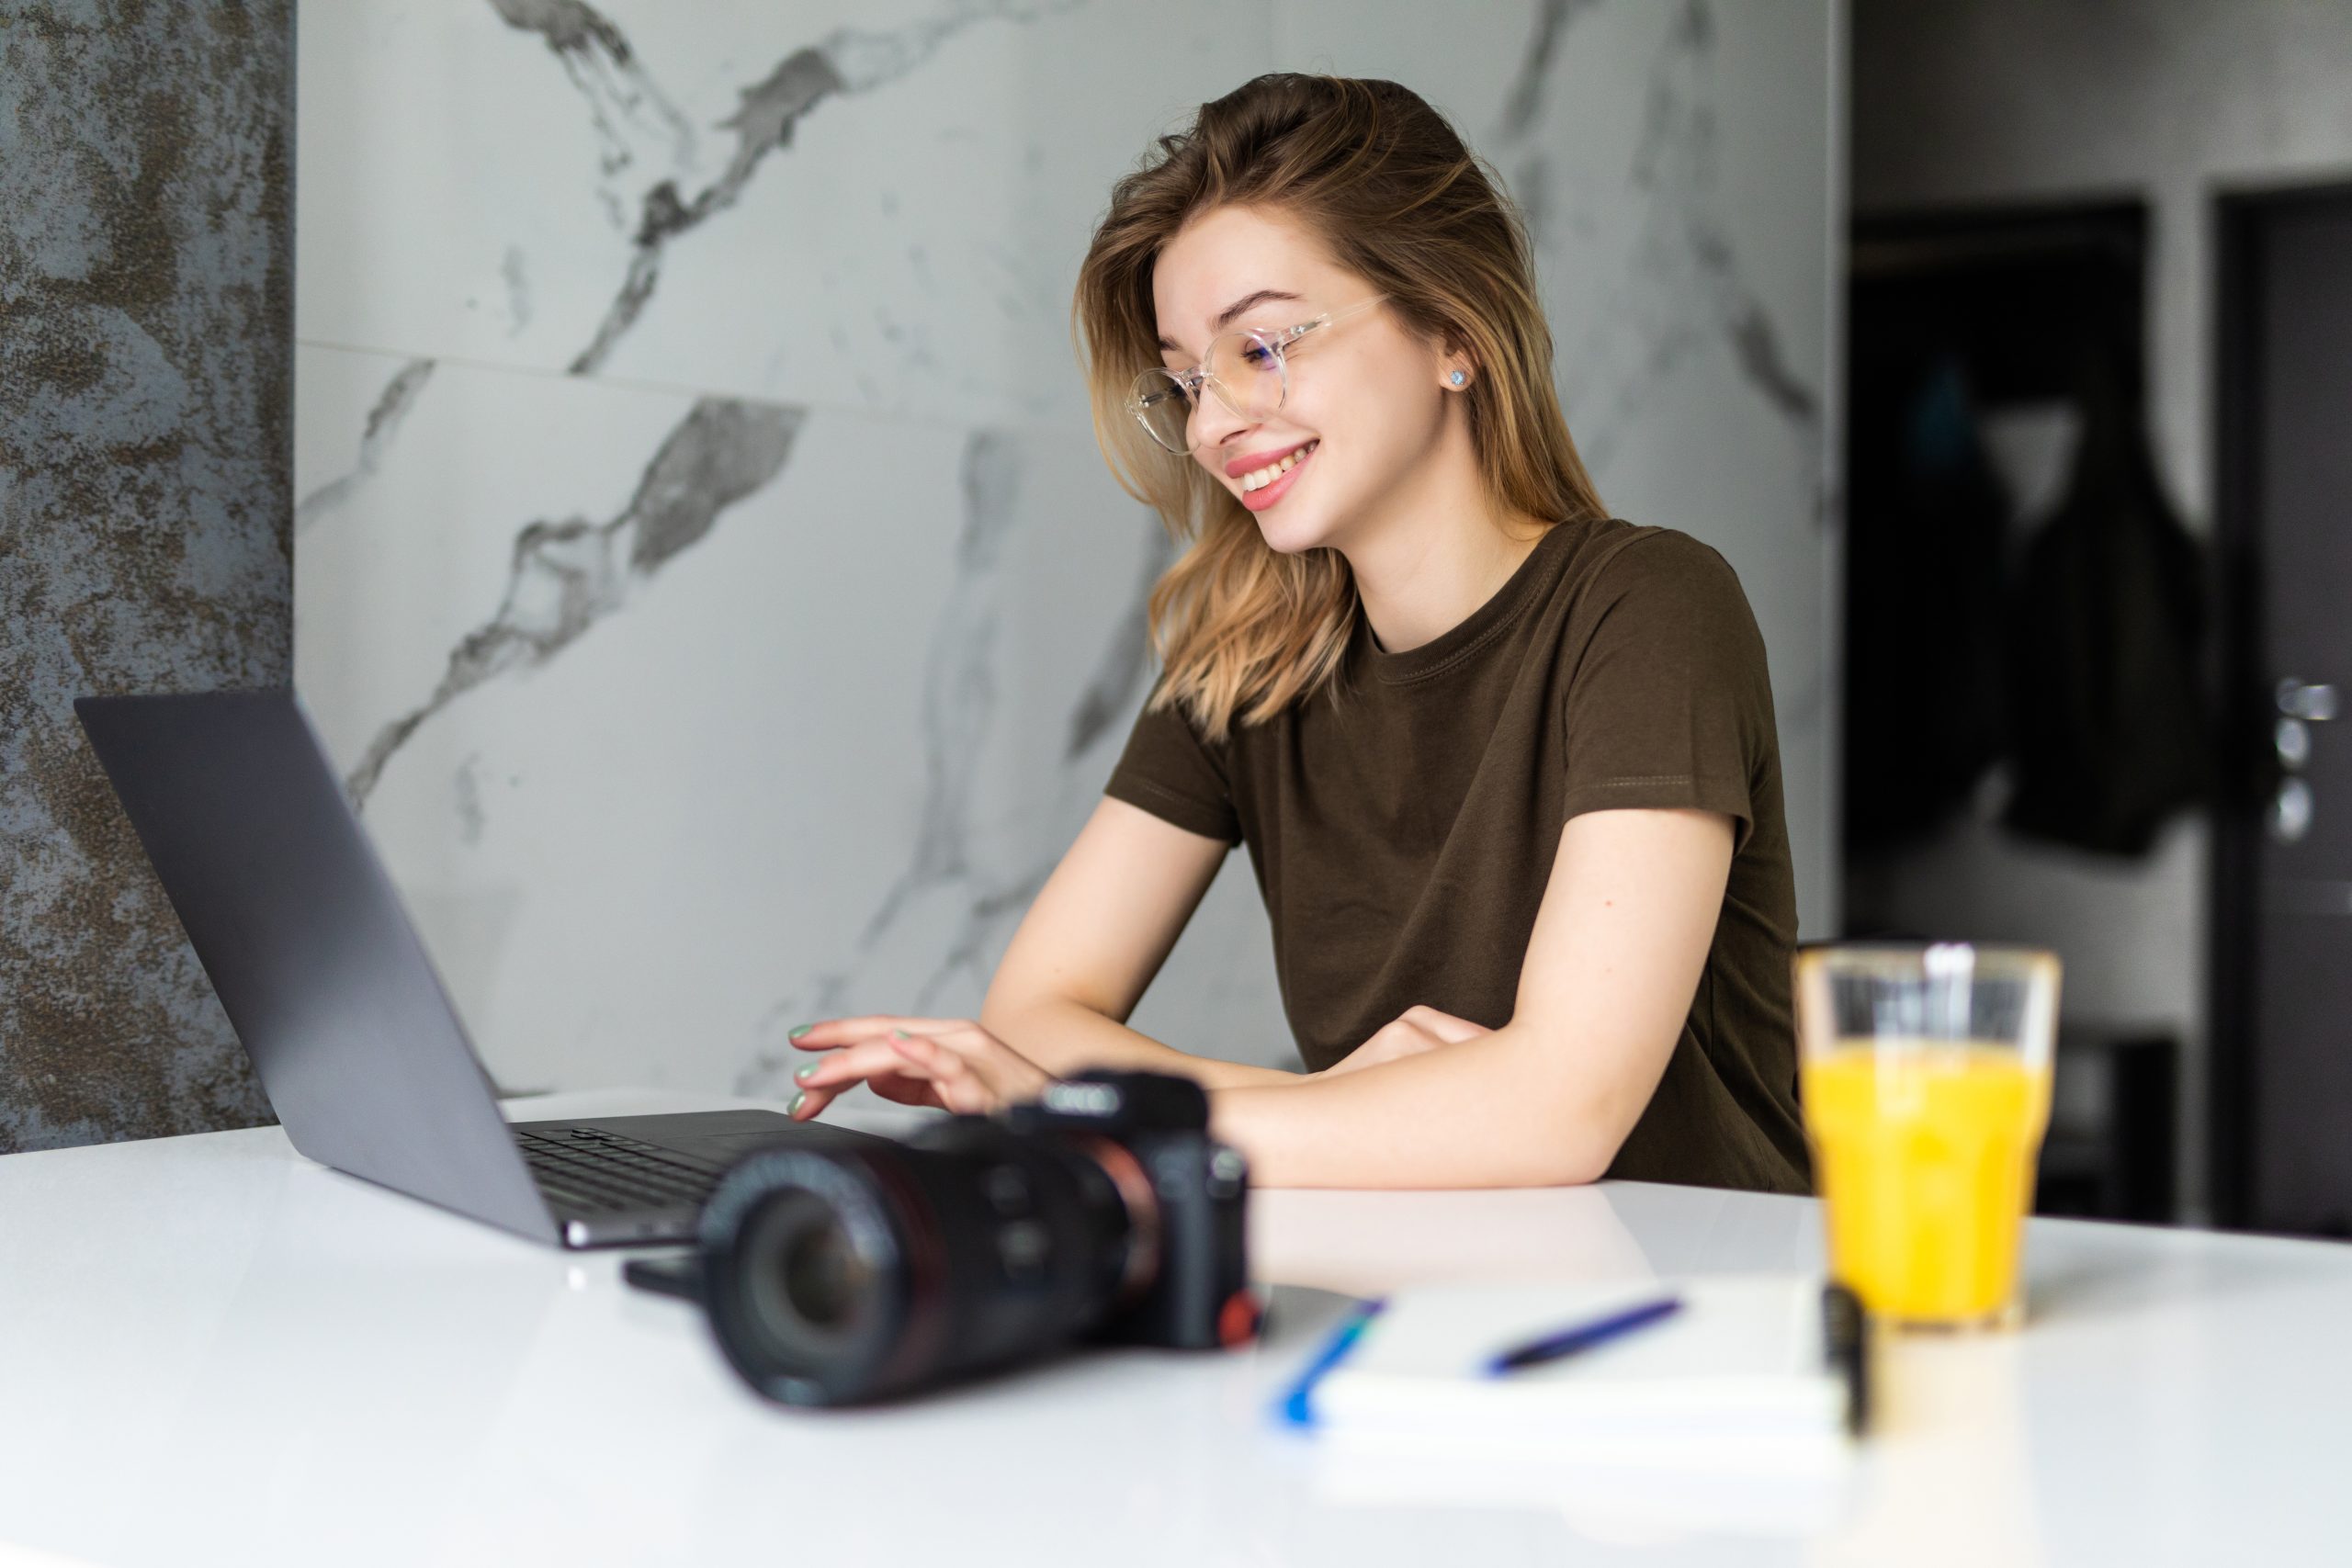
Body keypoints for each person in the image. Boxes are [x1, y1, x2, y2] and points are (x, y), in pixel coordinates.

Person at [782, 73, 1809, 1193]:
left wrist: (1117, 1121)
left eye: (1263, 345)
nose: (1213, 421)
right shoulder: (1249, 656)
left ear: (1452, 331)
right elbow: (1035, 1013)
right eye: (1183, 378)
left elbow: (1561, 1115)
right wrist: (1342, 1110)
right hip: (1414, 1289)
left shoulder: (1648, 607)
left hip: (1696, 1312)